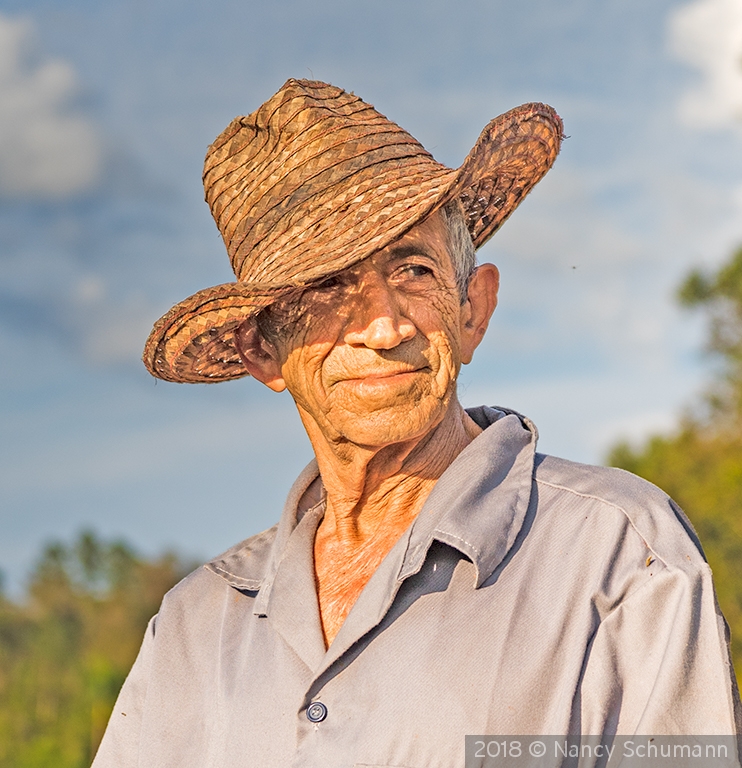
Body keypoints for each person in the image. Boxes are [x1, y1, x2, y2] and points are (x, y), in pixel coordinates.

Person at [93, 79, 741, 768]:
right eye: (326, 286)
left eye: (412, 269)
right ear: (262, 350)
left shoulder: (619, 554)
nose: (384, 325)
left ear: (473, 309)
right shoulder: (197, 624)